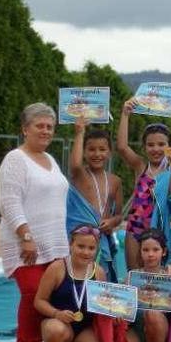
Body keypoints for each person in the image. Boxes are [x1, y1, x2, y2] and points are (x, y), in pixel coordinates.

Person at [0, 103, 70, 342]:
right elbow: (9, 202)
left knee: (50, 296)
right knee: (32, 294)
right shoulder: (16, 159)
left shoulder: (50, 160)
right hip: (25, 243)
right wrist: (25, 235)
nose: (46, 130)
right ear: (25, 129)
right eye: (39, 125)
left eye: (50, 126)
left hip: (54, 244)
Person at [33, 226, 128, 342]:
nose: (86, 252)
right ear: (71, 244)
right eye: (81, 246)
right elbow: (39, 301)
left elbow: (103, 305)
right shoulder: (57, 268)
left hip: (83, 329)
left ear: (96, 249)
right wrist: (56, 313)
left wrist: (114, 314)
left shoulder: (99, 272)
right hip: (59, 323)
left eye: (91, 248)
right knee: (55, 330)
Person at [117, 100, 171, 270]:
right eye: (150, 145)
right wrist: (125, 114)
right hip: (136, 225)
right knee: (133, 275)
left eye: (161, 144)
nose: (156, 149)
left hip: (158, 230)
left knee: (156, 279)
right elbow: (122, 148)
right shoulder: (141, 167)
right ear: (144, 147)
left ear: (170, 147)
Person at [66, 117, 123, 282]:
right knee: (76, 282)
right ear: (83, 152)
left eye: (102, 149)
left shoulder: (115, 181)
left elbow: (119, 215)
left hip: (100, 240)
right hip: (80, 240)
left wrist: (112, 222)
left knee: (100, 283)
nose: (97, 154)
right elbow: (75, 165)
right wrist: (79, 132)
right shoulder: (80, 175)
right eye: (91, 149)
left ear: (109, 152)